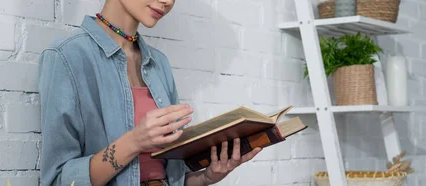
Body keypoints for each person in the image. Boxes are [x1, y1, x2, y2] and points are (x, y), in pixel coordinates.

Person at [38, 0, 262, 185]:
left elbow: (170, 175)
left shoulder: (159, 64)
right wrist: (134, 141)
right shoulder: (67, 57)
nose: (168, 2)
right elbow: (58, 179)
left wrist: (206, 177)